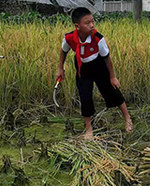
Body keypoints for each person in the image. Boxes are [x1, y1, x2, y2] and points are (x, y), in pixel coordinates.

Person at [55, 7, 132, 139]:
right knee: (85, 96)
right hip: (82, 67)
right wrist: (60, 68)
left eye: (92, 21)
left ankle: (127, 118)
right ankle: (89, 128)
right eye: (87, 23)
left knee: (111, 91)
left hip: (99, 65)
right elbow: (64, 51)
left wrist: (112, 77)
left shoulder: (97, 38)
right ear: (77, 26)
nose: (92, 25)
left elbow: (107, 58)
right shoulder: (69, 38)